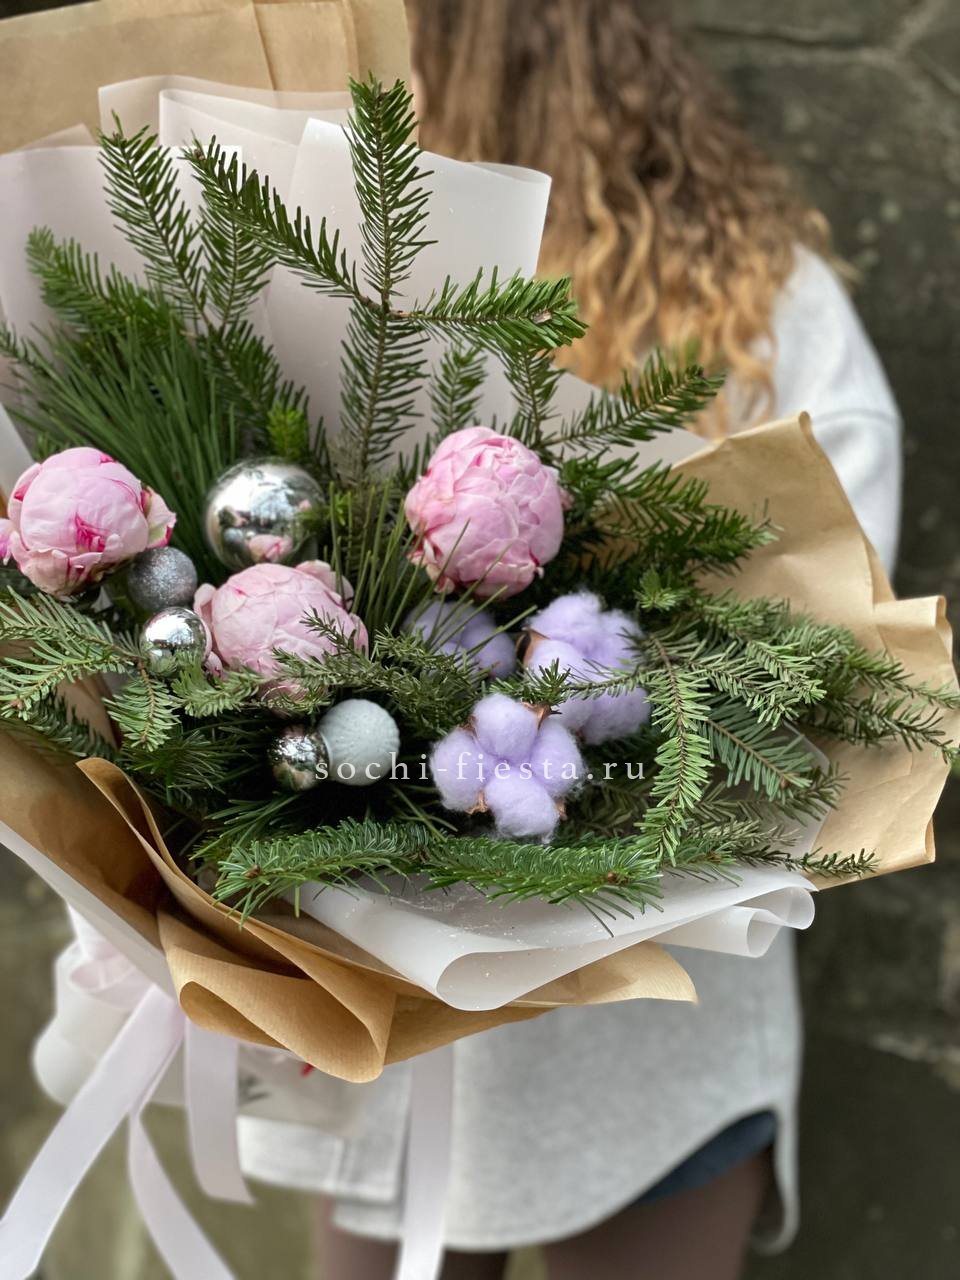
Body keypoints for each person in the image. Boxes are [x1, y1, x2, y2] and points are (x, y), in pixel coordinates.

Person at [239, 4, 902, 1277]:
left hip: (564, 1011)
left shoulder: (357, 276)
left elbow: (826, 653)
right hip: (520, 1003)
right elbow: (839, 624)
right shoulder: (762, 306)